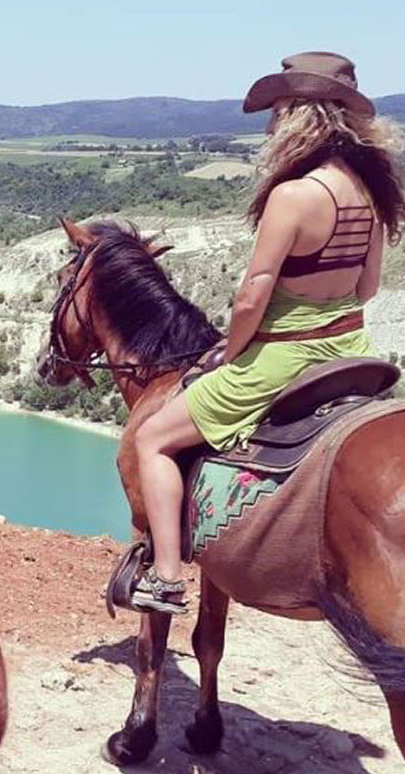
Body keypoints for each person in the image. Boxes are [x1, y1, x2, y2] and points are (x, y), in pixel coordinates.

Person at [130, 52, 404, 614]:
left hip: (282, 358)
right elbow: (368, 287)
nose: (270, 125)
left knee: (151, 439)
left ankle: (165, 577)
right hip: (350, 349)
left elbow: (252, 295)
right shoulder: (371, 193)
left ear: (301, 114)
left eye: (277, 112)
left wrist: (233, 354)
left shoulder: (294, 195)